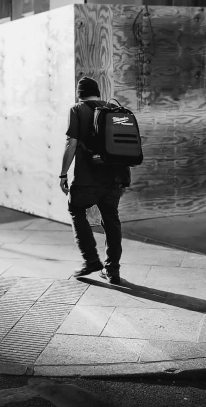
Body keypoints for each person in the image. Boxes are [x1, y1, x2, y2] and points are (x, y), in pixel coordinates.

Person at [59, 77, 131, 285]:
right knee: (111, 219)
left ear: (79, 93)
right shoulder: (113, 109)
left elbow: (71, 144)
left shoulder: (77, 110)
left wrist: (63, 173)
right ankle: (113, 270)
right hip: (115, 177)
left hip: (88, 178)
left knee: (75, 209)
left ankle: (91, 260)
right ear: (97, 92)